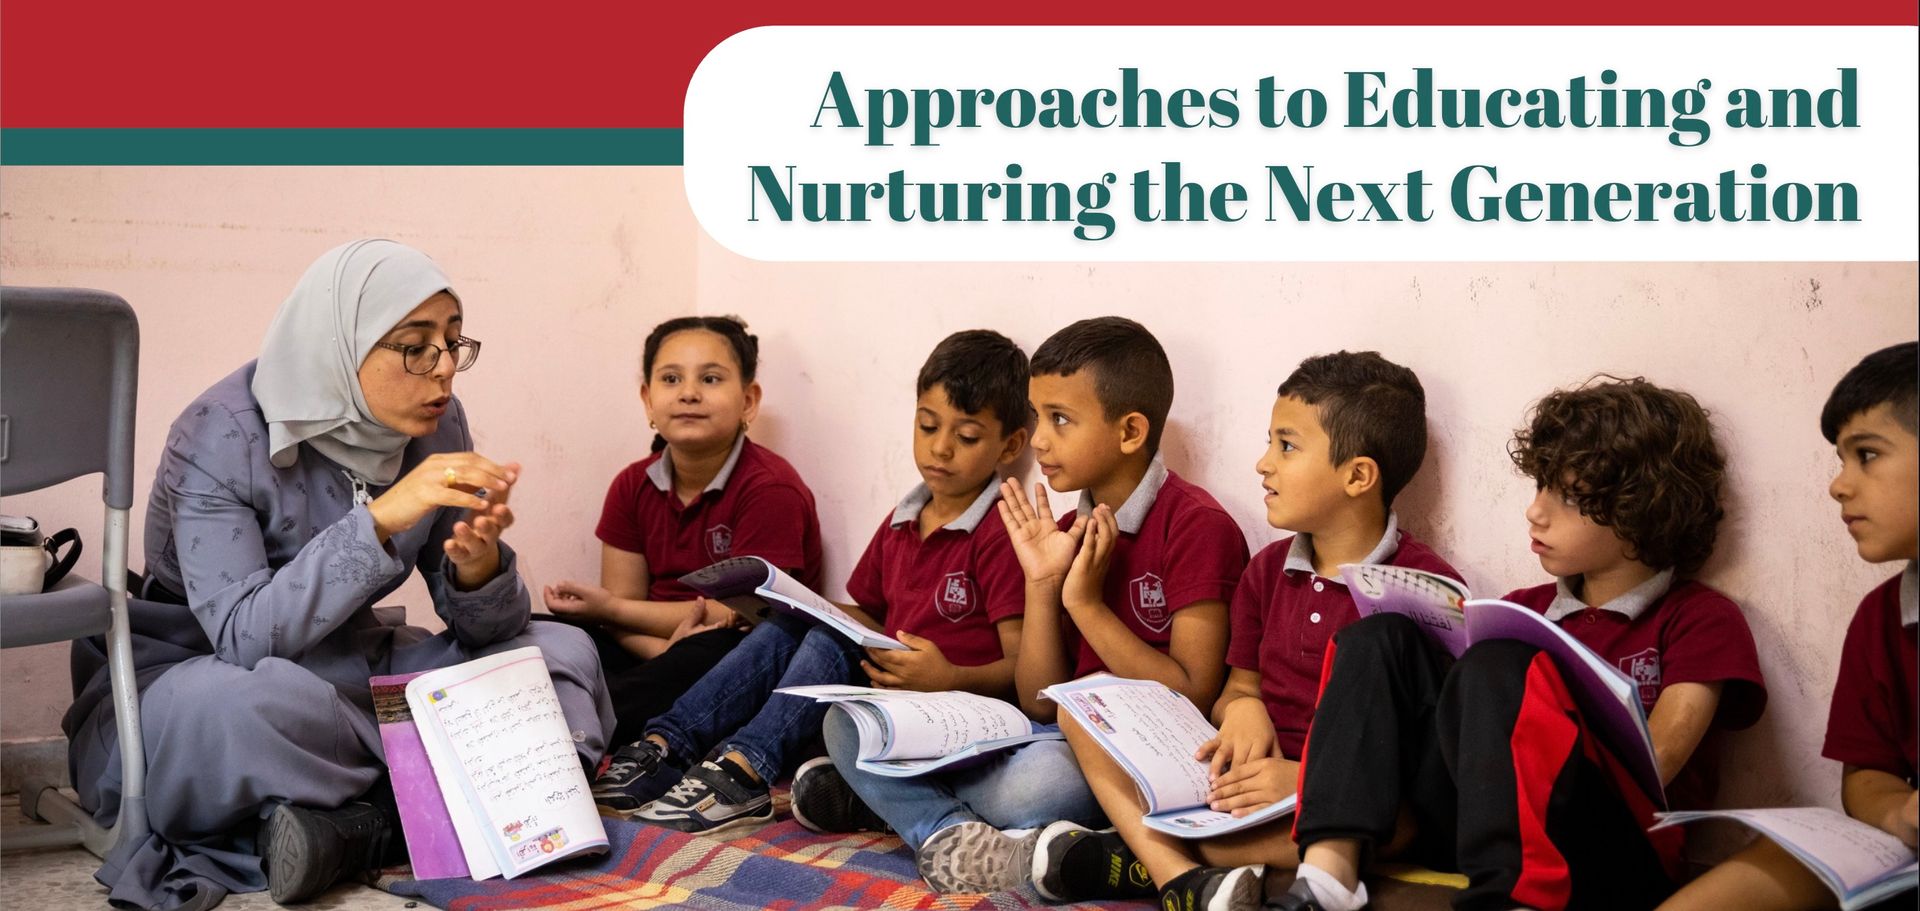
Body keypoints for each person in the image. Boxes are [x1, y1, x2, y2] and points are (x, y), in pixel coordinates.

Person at [63, 239, 614, 911]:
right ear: (340, 345)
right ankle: (475, 793)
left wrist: (476, 571)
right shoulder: (219, 434)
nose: (444, 370)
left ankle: (360, 825)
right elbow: (242, 639)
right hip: (207, 667)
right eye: (416, 347)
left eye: (452, 342)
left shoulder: (439, 426)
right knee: (237, 712)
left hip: (355, 662)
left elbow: (488, 631)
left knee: (558, 650)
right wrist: (381, 517)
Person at [793, 316, 1249, 895]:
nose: (1038, 441)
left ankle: (896, 802)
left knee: (1046, 786)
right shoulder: (1063, 529)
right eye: (1037, 418)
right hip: (1046, 733)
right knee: (849, 723)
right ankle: (948, 829)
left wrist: (1084, 605)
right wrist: (1041, 582)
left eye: (1060, 420)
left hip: (1125, 757)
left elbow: (1192, 694)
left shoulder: (1196, 526)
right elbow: (1037, 699)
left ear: (1130, 432)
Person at [1278, 377, 1768, 911]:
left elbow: (1662, 760)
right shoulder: (1522, 608)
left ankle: (1512, 899)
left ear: (1640, 511)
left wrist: (1553, 707)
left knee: (1500, 666)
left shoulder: (1698, 617)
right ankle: (1328, 872)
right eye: (1540, 487)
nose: (1536, 511)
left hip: (1616, 848)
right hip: (1480, 819)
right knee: (1382, 636)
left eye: (1568, 497)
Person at [1032, 351, 1468, 910]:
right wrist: (1243, 708)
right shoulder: (1267, 570)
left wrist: (1308, 782)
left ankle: (1148, 859)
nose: (1264, 464)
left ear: (1358, 476)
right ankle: (1180, 876)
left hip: (1357, 805)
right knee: (1082, 708)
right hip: (1250, 787)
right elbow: (1237, 688)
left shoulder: (1425, 589)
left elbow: (1431, 749)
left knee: (1391, 823)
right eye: (1270, 442)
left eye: (1287, 446)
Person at [608, 330, 1033, 833]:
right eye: (927, 426)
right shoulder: (904, 518)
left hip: (953, 706)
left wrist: (950, 677)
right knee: (792, 627)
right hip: (892, 691)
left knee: (828, 642)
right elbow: (869, 615)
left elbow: (1020, 667)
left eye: (967, 437)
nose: (940, 448)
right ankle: (664, 746)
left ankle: (745, 771)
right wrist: (792, 605)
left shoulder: (1002, 531)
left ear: (1010, 444)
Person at [1657, 341, 1917, 911]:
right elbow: (1866, 776)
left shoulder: (1699, 617)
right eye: (1841, 460)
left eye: (1867, 454)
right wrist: (1902, 812)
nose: (1838, 485)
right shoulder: (1881, 618)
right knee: (1773, 865)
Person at [543, 315, 824, 753]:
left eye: (710, 379)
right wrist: (659, 648)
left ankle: (566, 725)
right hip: (653, 649)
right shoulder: (631, 484)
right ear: (648, 400)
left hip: (735, 655)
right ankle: (584, 717)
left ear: (749, 401)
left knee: (716, 651)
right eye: (671, 379)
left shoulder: (770, 488)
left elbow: (739, 616)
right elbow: (620, 615)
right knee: (550, 634)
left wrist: (616, 611)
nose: (689, 393)